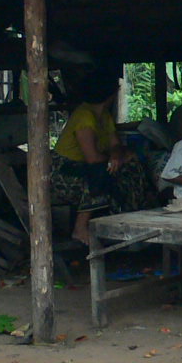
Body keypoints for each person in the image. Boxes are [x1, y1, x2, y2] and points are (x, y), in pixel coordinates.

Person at [49, 71, 156, 246]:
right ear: (111, 94)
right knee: (101, 174)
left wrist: (116, 155)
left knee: (133, 166)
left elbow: (116, 145)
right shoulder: (85, 117)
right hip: (64, 171)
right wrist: (114, 159)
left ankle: (131, 221)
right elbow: (93, 159)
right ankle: (80, 227)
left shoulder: (103, 115)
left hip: (88, 167)